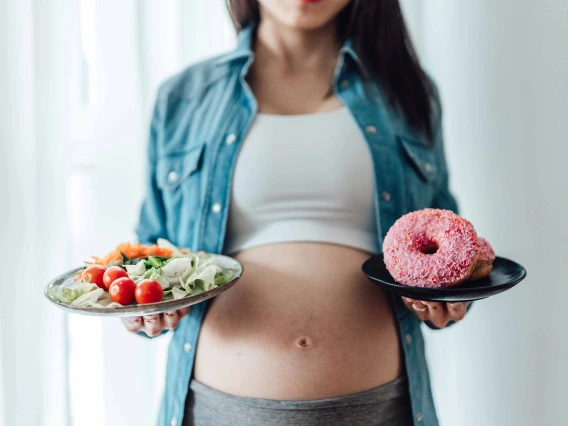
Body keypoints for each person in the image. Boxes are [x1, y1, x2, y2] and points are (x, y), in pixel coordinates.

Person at [122, 1, 471, 425]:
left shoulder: (408, 92)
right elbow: (150, 255)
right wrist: (147, 306)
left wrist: (449, 300)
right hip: (223, 410)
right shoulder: (183, 98)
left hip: (380, 408)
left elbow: (448, 246)